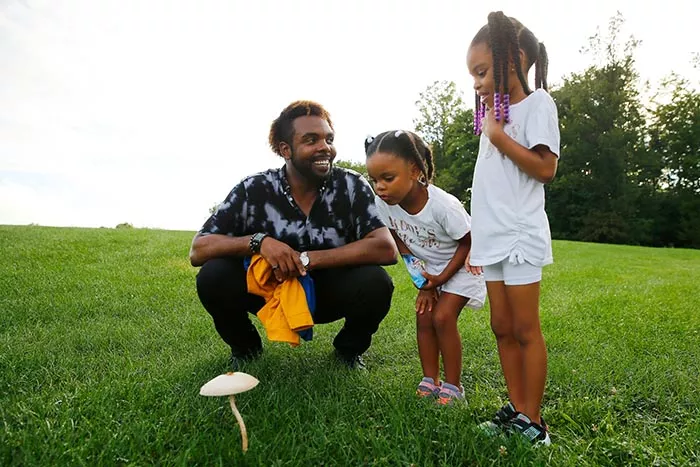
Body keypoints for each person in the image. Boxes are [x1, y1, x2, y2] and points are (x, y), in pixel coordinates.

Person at [190, 100, 398, 370]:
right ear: (285, 149)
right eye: (311, 140)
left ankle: (348, 351)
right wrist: (259, 242)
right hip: (270, 290)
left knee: (376, 282)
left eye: (329, 139)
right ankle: (245, 349)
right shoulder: (254, 189)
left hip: (328, 292)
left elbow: (385, 248)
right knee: (213, 275)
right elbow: (199, 249)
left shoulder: (351, 185)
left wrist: (307, 259)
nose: (325, 147)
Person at [465, 11, 560, 445]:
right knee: (501, 327)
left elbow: (545, 168)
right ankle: (518, 409)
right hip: (493, 236)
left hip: (520, 235)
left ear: (515, 58)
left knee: (524, 328)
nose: (477, 83)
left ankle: (534, 423)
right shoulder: (494, 112)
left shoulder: (538, 104)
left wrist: (500, 137)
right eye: (473, 75)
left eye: (482, 71)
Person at [365, 130, 486, 405]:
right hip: (429, 268)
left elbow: (468, 242)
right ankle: (430, 379)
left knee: (442, 317)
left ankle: (454, 387)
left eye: (388, 178)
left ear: (414, 171)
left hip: (463, 263)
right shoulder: (384, 204)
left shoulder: (443, 206)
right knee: (424, 316)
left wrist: (441, 278)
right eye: (374, 180)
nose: (380, 187)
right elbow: (400, 241)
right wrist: (423, 282)